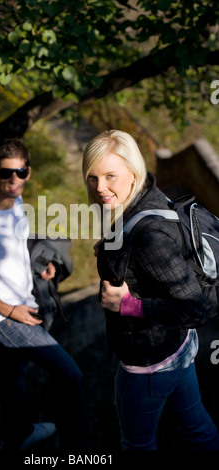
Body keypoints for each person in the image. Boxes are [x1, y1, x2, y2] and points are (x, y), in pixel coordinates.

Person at [82, 129, 219, 450]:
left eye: (110, 176)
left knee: (137, 444)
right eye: (92, 177)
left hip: (148, 364)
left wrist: (129, 306)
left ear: (132, 172)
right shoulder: (149, 197)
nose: (100, 187)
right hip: (178, 349)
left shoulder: (148, 236)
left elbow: (192, 307)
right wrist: (114, 249)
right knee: (196, 425)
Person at [0, 138, 83, 451]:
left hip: (23, 306)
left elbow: (14, 251)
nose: (14, 180)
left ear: (29, 172)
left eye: (21, 172)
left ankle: (19, 434)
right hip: (7, 318)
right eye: (5, 173)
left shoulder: (18, 205)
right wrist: (10, 311)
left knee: (13, 374)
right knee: (71, 376)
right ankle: (75, 448)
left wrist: (45, 265)